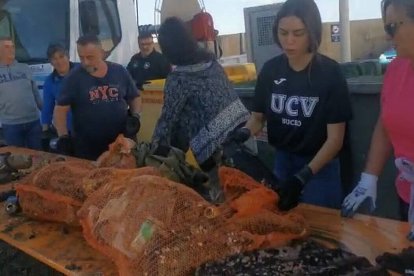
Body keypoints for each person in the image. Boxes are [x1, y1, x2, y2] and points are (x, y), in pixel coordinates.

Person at [228, 0, 352, 211]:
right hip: (283, 161)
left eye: (298, 33)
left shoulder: (330, 74)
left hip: (319, 167)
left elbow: (335, 140)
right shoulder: (270, 70)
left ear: (311, 33)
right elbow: (258, 118)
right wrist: (244, 133)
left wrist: (302, 177)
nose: (289, 41)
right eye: (283, 33)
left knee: (320, 229)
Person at [151, 17, 250, 201]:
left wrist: (152, 155)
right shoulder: (211, 62)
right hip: (244, 132)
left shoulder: (178, 78)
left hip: (216, 149)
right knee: (248, 192)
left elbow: (167, 119)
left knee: (226, 200)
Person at [341, 0, 414, 240]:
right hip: (407, 195)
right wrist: (368, 178)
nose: (387, 34)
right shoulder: (396, 69)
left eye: (393, 26)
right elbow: (386, 124)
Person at [54, 35, 142, 160]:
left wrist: (136, 116)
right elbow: (60, 110)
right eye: (81, 57)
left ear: (102, 53)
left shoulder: (119, 71)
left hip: (120, 143)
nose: (85, 62)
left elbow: (134, 97)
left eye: (90, 57)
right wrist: (63, 137)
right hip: (87, 148)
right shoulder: (73, 78)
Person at [0, 37, 42, 150]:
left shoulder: (24, 68)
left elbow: (36, 93)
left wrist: (48, 115)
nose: (11, 49)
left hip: (33, 122)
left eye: (12, 46)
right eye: (7, 47)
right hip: (11, 125)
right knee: (17, 160)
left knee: (38, 156)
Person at [41, 44, 77, 150]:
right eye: (54, 59)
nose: (59, 61)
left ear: (68, 56)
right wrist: (45, 132)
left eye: (61, 56)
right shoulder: (50, 82)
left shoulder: (82, 70)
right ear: (51, 62)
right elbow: (47, 108)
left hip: (89, 127)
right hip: (66, 131)